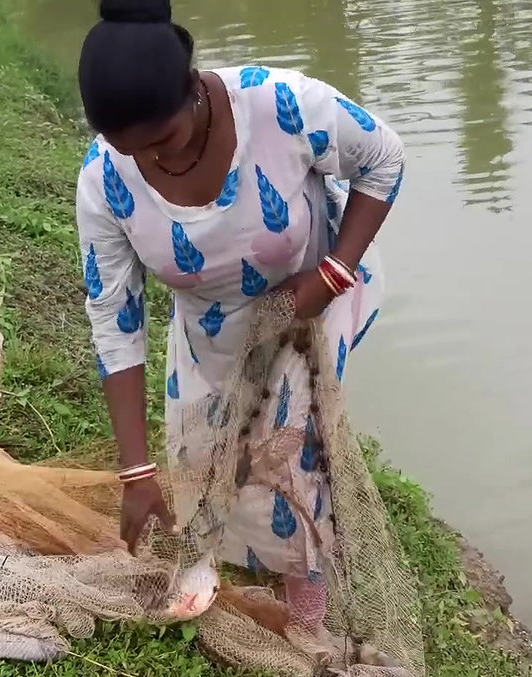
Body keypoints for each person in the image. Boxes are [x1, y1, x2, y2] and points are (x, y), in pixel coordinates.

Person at [76, 0, 405, 633]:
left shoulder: (279, 105)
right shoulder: (103, 180)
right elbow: (115, 318)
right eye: (130, 149)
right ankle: (224, 554)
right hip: (209, 318)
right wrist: (135, 470)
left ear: (193, 92)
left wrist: (335, 269)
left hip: (313, 292)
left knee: (293, 439)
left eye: (163, 140)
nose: (154, 161)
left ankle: (306, 580)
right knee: (200, 446)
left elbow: (383, 160)